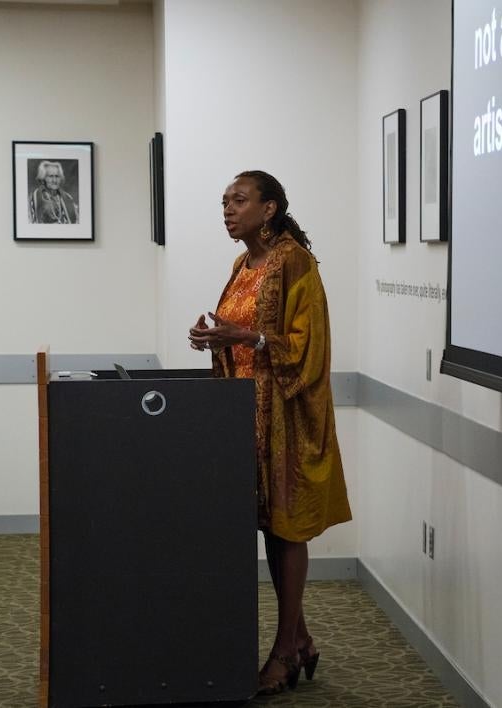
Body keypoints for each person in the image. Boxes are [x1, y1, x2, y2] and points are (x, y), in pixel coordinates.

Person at [188, 170, 352, 695]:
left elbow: (308, 346)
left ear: (271, 208)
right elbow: (241, 335)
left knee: (286, 529)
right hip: (245, 417)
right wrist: (215, 337)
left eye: (239, 200)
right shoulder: (242, 264)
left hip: (286, 418)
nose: (228, 210)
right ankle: (300, 639)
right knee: (266, 527)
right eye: (224, 202)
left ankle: (284, 653)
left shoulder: (295, 263)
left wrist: (249, 336)